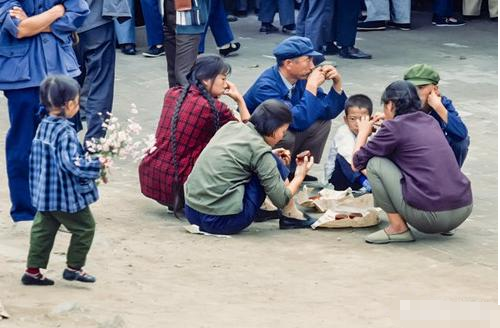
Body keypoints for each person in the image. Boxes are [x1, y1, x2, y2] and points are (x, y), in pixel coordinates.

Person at [0, 0, 89, 222]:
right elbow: (19, 28)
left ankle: (64, 208)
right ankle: (25, 212)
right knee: (23, 145)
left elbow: (79, 12)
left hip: (60, 71)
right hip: (22, 76)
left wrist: (36, 22)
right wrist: (56, 12)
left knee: (64, 143)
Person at [352, 81, 473, 244]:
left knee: (375, 163)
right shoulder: (430, 121)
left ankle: (397, 228)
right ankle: (446, 226)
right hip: (463, 208)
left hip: (432, 219)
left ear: (390, 105)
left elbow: (356, 162)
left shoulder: (393, 128)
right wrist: (389, 123)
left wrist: (363, 133)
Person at [184, 99, 317, 235]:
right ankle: (291, 215)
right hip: (221, 222)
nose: (282, 136)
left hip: (191, 212)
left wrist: (269, 157)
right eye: (283, 132)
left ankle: (270, 210)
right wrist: (299, 176)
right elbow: (281, 200)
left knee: (270, 159)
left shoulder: (230, 126)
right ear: (274, 130)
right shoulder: (260, 151)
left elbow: (235, 156)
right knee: (271, 161)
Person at [139, 55, 251, 212]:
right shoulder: (215, 109)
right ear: (206, 80)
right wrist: (239, 100)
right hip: (181, 184)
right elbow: (250, 136)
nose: (226, 85)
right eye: (223, 79)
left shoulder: (172, 93)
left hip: (152, 175)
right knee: (244, 154)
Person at [21, 76, 105, 285]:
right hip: (64, 194)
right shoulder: (65, 130)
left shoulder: (44, 124)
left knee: (43, 229)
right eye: (77, 101)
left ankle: (32, 271)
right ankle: (74, 267)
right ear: (68, 104)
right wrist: (96, 165)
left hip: (44, 190)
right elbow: (71, 164)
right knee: (85, 227)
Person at [244, 36, 347, 180]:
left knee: (322, 124)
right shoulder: (266, 86)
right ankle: (276, 175)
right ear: (288, 63)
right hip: (254, 142)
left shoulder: (300, 79)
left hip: (281, 132)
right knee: (285, 133)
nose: (312, 66)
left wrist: (337, 84)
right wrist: (311, 87)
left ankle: (296, 170)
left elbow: (327, 111)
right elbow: (296, 120)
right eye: (308, 60)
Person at [74, 0, 131, 145]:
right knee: (100, 84)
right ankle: (94, 143)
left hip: (65, 21)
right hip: (96, 19)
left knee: (67, 85)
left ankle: (66, 141)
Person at [404, 64, 470, 167]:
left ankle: (452, 177)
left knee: (460, 141)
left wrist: (439, 108)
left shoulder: (442, 104)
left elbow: (461, 134)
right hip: (411, 156)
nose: (415, 93)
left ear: (435, 89)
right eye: (411, 88)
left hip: (434, 155)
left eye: (421, 87)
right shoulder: (402, 103)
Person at [324, 94, 373, 192]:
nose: (357, 123)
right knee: (345, 159)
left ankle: (366, 183)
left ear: (370, 119)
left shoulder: (372, 132)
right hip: (338, 179)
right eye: (352, 119)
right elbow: (352, 162)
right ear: (346, 120)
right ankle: (366, 183)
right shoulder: (343, 132)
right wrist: (372, 178)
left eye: (362, 119)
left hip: (361, 174)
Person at [163, 0, 210, 87]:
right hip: (168, 17)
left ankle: (189, 100)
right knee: (173, 75)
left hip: (189, 20)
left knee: (184, 76)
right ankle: (175, 99)